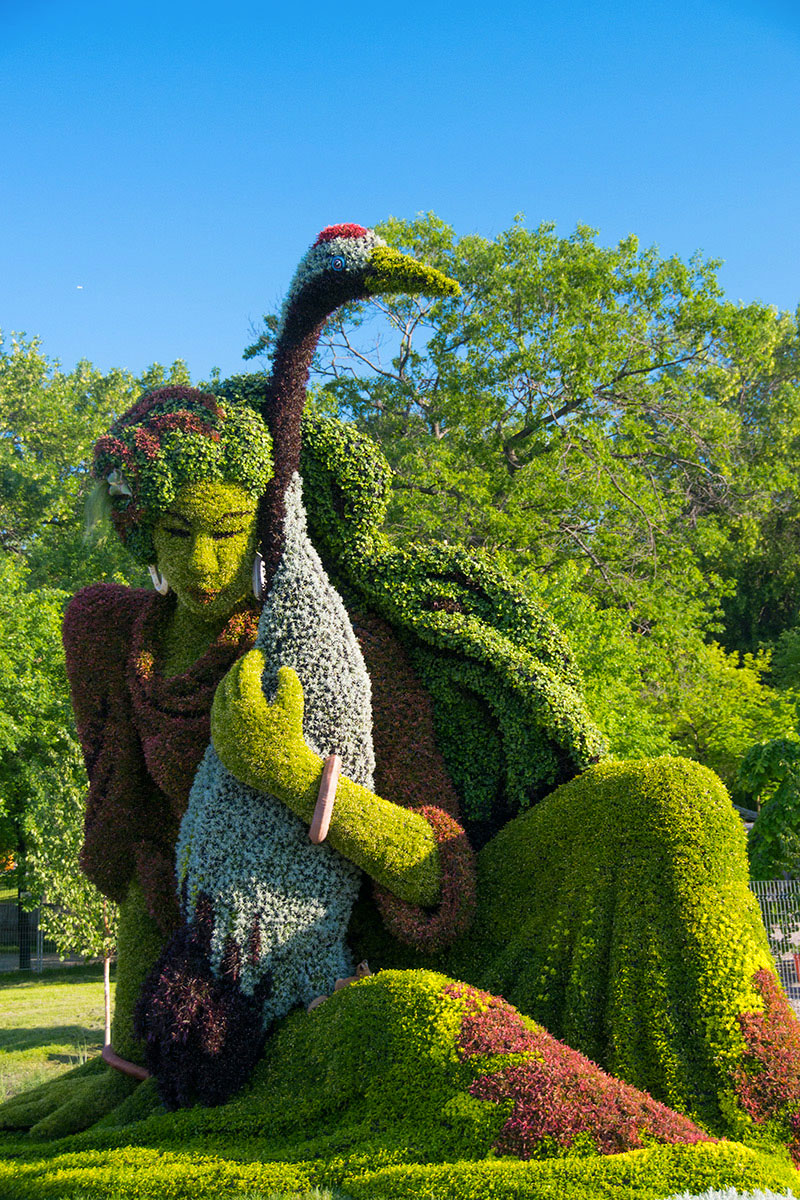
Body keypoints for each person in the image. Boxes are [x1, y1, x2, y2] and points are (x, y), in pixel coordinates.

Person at [3, 383, 797, 1147]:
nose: (205, 564)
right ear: (140, 530)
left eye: (228, 529)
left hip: (367, 969)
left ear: (270, 518)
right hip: (223, 1009)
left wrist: (293, 774)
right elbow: (148, 865)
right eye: (178, 534)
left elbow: (435, 874)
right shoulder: (113, 637)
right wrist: (129, 1062)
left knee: (671, 798)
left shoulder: (343, 642)